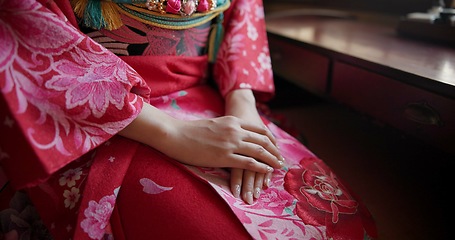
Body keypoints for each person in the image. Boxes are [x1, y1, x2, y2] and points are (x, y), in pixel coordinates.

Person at [0, 0, 377, 239]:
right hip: (103, 112)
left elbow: (242, 15)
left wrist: (243, 106)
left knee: (331, 219)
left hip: (214, 99)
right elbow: (24, 27)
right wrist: (170, 133)